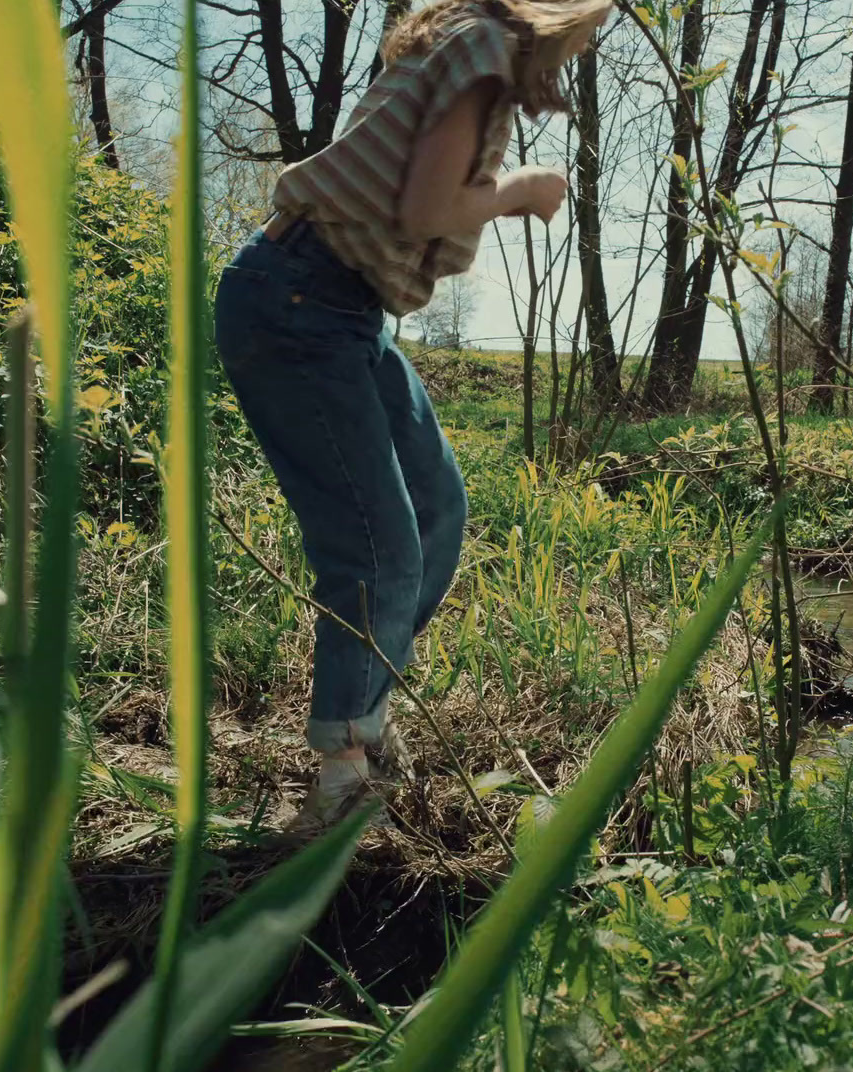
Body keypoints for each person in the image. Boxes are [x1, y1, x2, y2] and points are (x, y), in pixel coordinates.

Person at [213, 0, 613, 834]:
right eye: (593, 21)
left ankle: (366, 707)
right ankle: (342, 774)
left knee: (436, 509)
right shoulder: (482, 56)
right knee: (377, 545)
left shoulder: (468, 47)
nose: (590, 41)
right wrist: (523, 190)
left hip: (338, 306)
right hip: (297, 301)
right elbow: (429, 209)